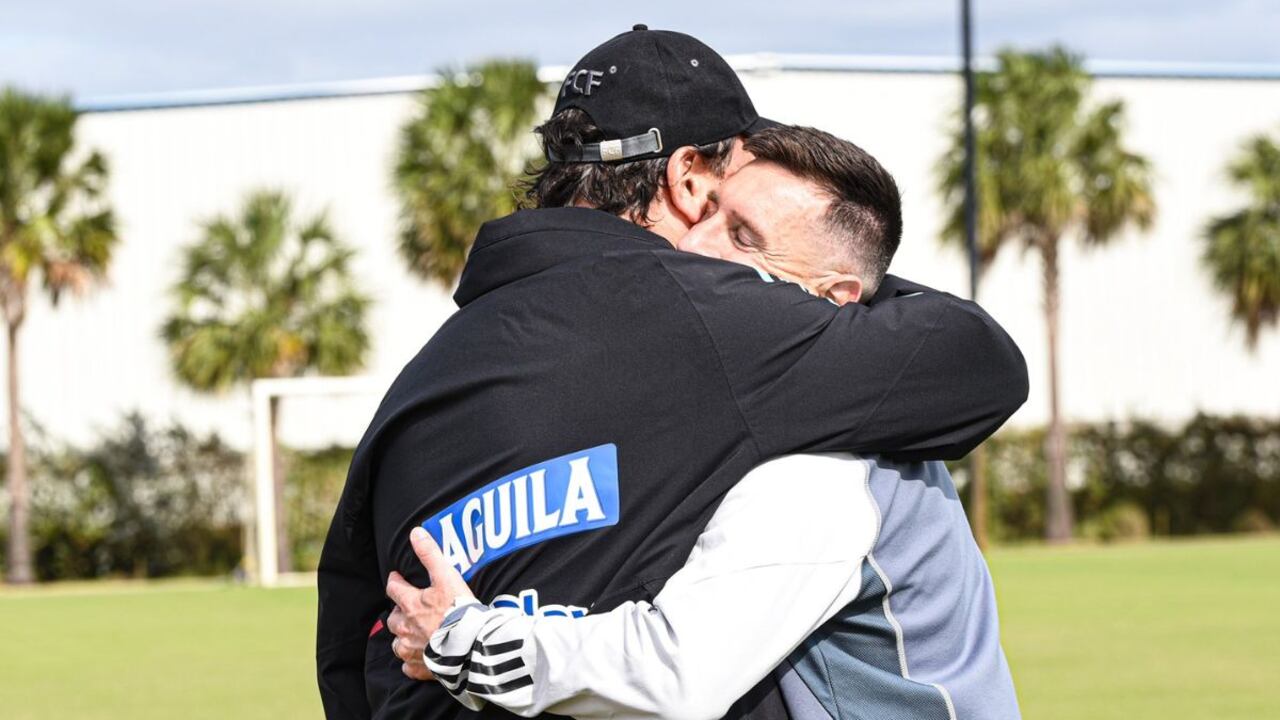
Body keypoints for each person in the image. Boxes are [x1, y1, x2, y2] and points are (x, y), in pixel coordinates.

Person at [316, 26, 1027, 720]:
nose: (712, 242)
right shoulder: (729, 327)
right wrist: (840, 291)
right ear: (687, 179)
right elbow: (979, 362)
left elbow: (349, 644)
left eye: (742, 231)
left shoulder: (417, 381)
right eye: (721, 205)